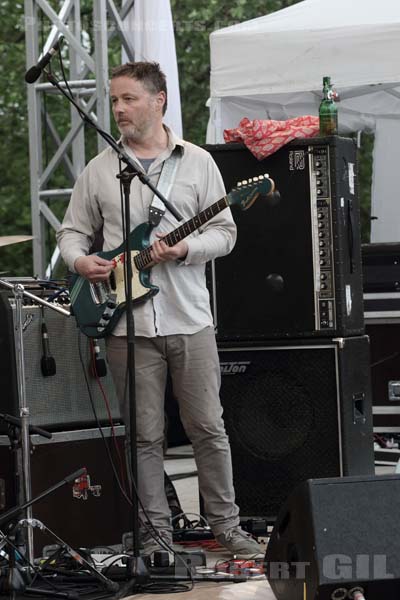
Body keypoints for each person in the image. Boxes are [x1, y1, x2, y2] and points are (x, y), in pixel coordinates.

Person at [56, 61, 262, 559]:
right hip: (125, 326)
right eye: (115, 100)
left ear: (159, 100)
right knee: (144, 437)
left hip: (189, 319)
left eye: (128, 99)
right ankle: (155, 538)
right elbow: (70, 234)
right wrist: (82, 260)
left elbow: (226, 232)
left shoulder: (198, 162)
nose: (119, 109)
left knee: (207, 429)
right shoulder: (101, 169)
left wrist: (186, 250)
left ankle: (228, 529)